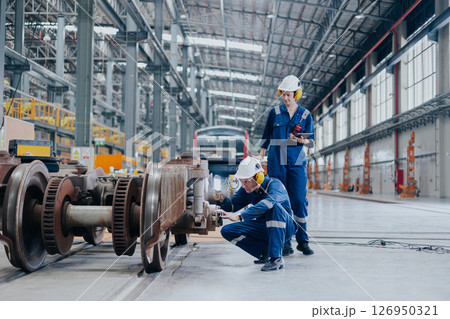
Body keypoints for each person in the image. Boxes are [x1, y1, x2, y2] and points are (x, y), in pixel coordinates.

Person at [258, 74, 315, 256]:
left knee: (299, 199)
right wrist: (260, 155)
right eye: (283, 94)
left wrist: (299, 139)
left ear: (296, 94)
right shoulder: (274, 113)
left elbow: (311, 141)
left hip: (296, 161)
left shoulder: (305, 115)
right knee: (280, 201)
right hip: (276, 160)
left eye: (289, 94)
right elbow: (266, 136)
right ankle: (285, 241)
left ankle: (303, 240)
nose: (285, 98)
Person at [215, 157, 297, 271]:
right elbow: (233, 205)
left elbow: (267, 203)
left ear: (259, 177)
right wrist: (222, 199)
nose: (243, 185)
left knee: (275, 207)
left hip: (285, 227)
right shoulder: (247, 189)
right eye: (241, 181)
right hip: (264, 227)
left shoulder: (275, 185)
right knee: (227, 230)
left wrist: (240, 216)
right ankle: (264, 251)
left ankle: (276, 258)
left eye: (247, 181)